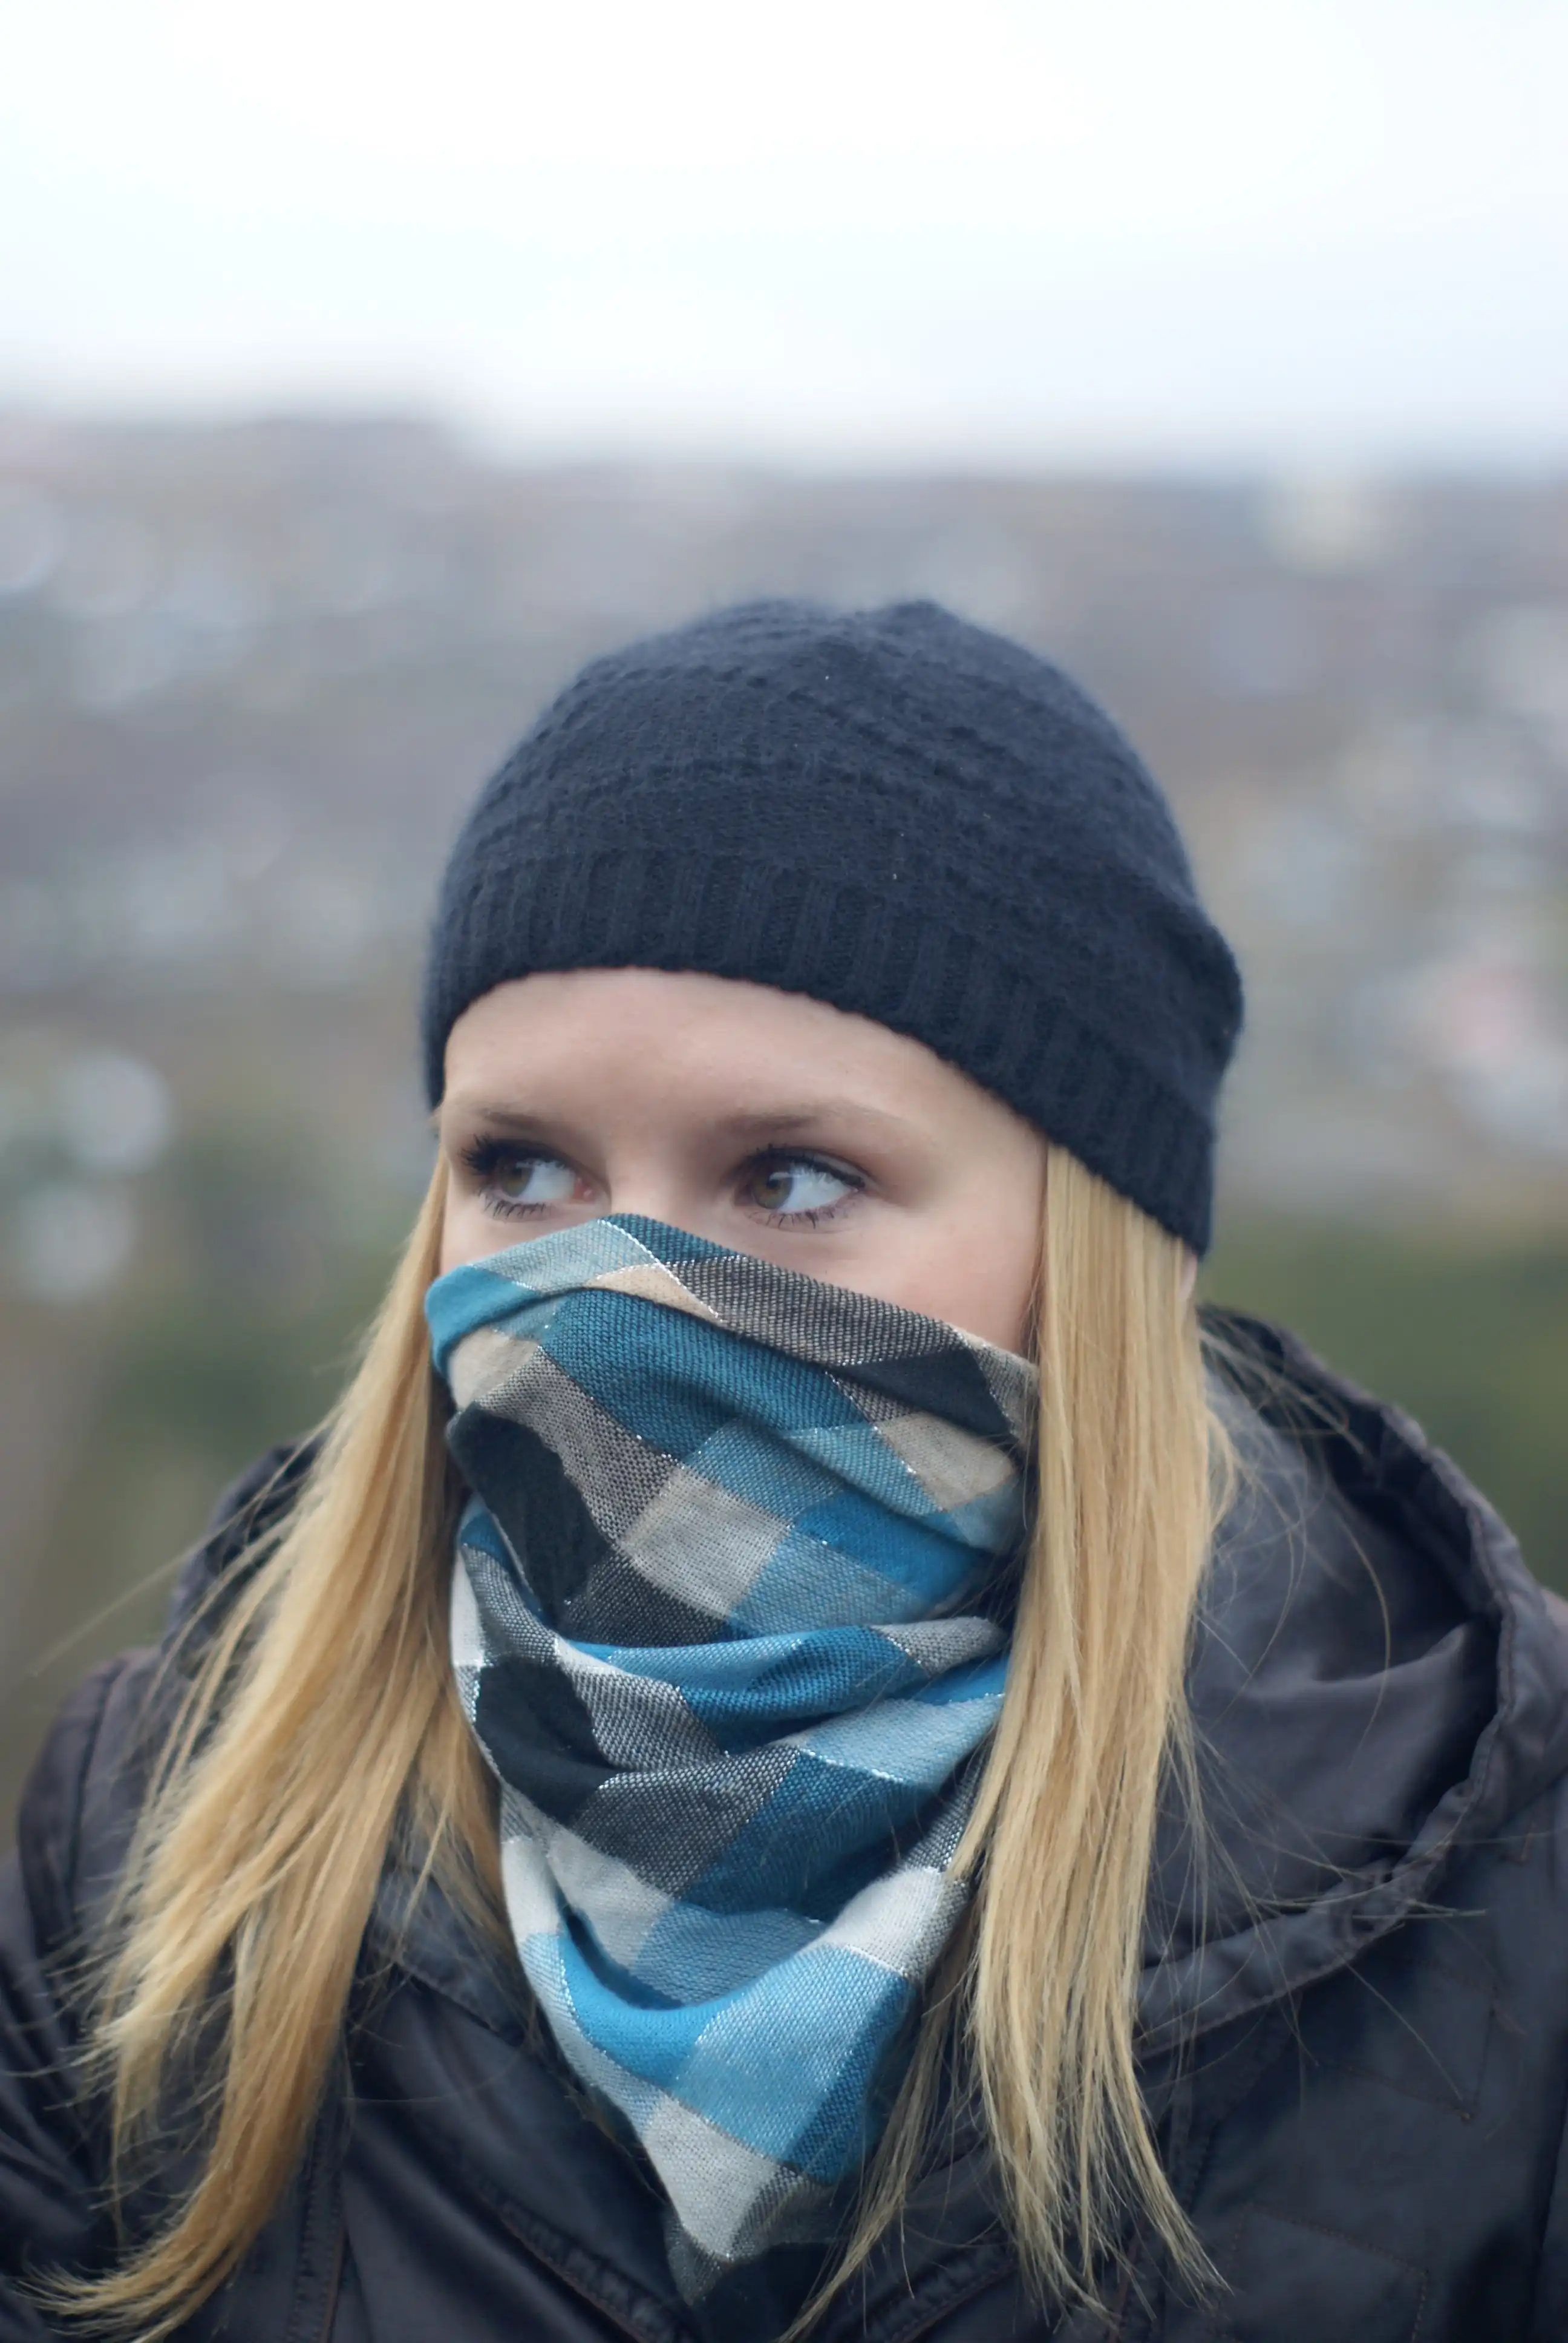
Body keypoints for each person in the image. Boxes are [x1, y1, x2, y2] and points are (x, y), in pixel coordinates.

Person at [2, 600, 1566, 2343]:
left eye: (795, 1181)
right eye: (522, 1169)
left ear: (1106, 1260)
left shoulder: (1509, 1908)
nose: (615, 1296)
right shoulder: (149, 1841)